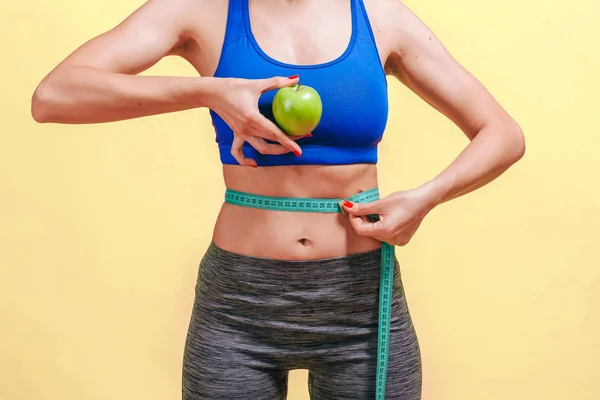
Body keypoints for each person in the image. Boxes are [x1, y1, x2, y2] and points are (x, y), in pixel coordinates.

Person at [31, 0, 525, 398]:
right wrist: (209, 91)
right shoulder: (201, 11)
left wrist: (425, 198)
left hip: (360, 304)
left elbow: (502, 133)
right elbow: (53, 96)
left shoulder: (381, 17)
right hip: (238, 307)